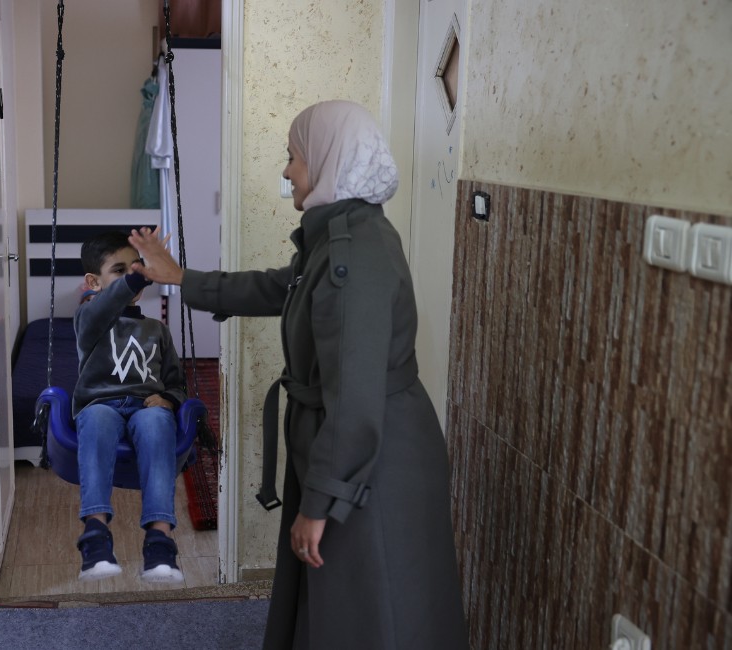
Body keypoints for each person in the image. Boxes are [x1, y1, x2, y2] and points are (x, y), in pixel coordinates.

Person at [129, 100, 469, 648]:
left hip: (370, 457)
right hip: (358, 444)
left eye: (294, 156)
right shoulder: (343, 234)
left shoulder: (352, 254)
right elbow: (275, 287)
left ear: (328, 158)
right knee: (353, 599)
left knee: (369, 606)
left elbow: (355, 400)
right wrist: (183, 278)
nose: (287, 170)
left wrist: (321, 504)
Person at [71, 231, 187, 583]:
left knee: (156, 422)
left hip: (145, 406)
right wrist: (141, 271)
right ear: (93, 282)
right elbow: (107, 304)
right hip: (100, 404)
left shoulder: (157, 330)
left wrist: (168, 399)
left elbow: (176, 382)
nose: (129, 277)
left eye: (133, 269)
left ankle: (159, 541)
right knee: (98, 420)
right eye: (118, 270)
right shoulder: (89, 317)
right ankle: (95, 538)